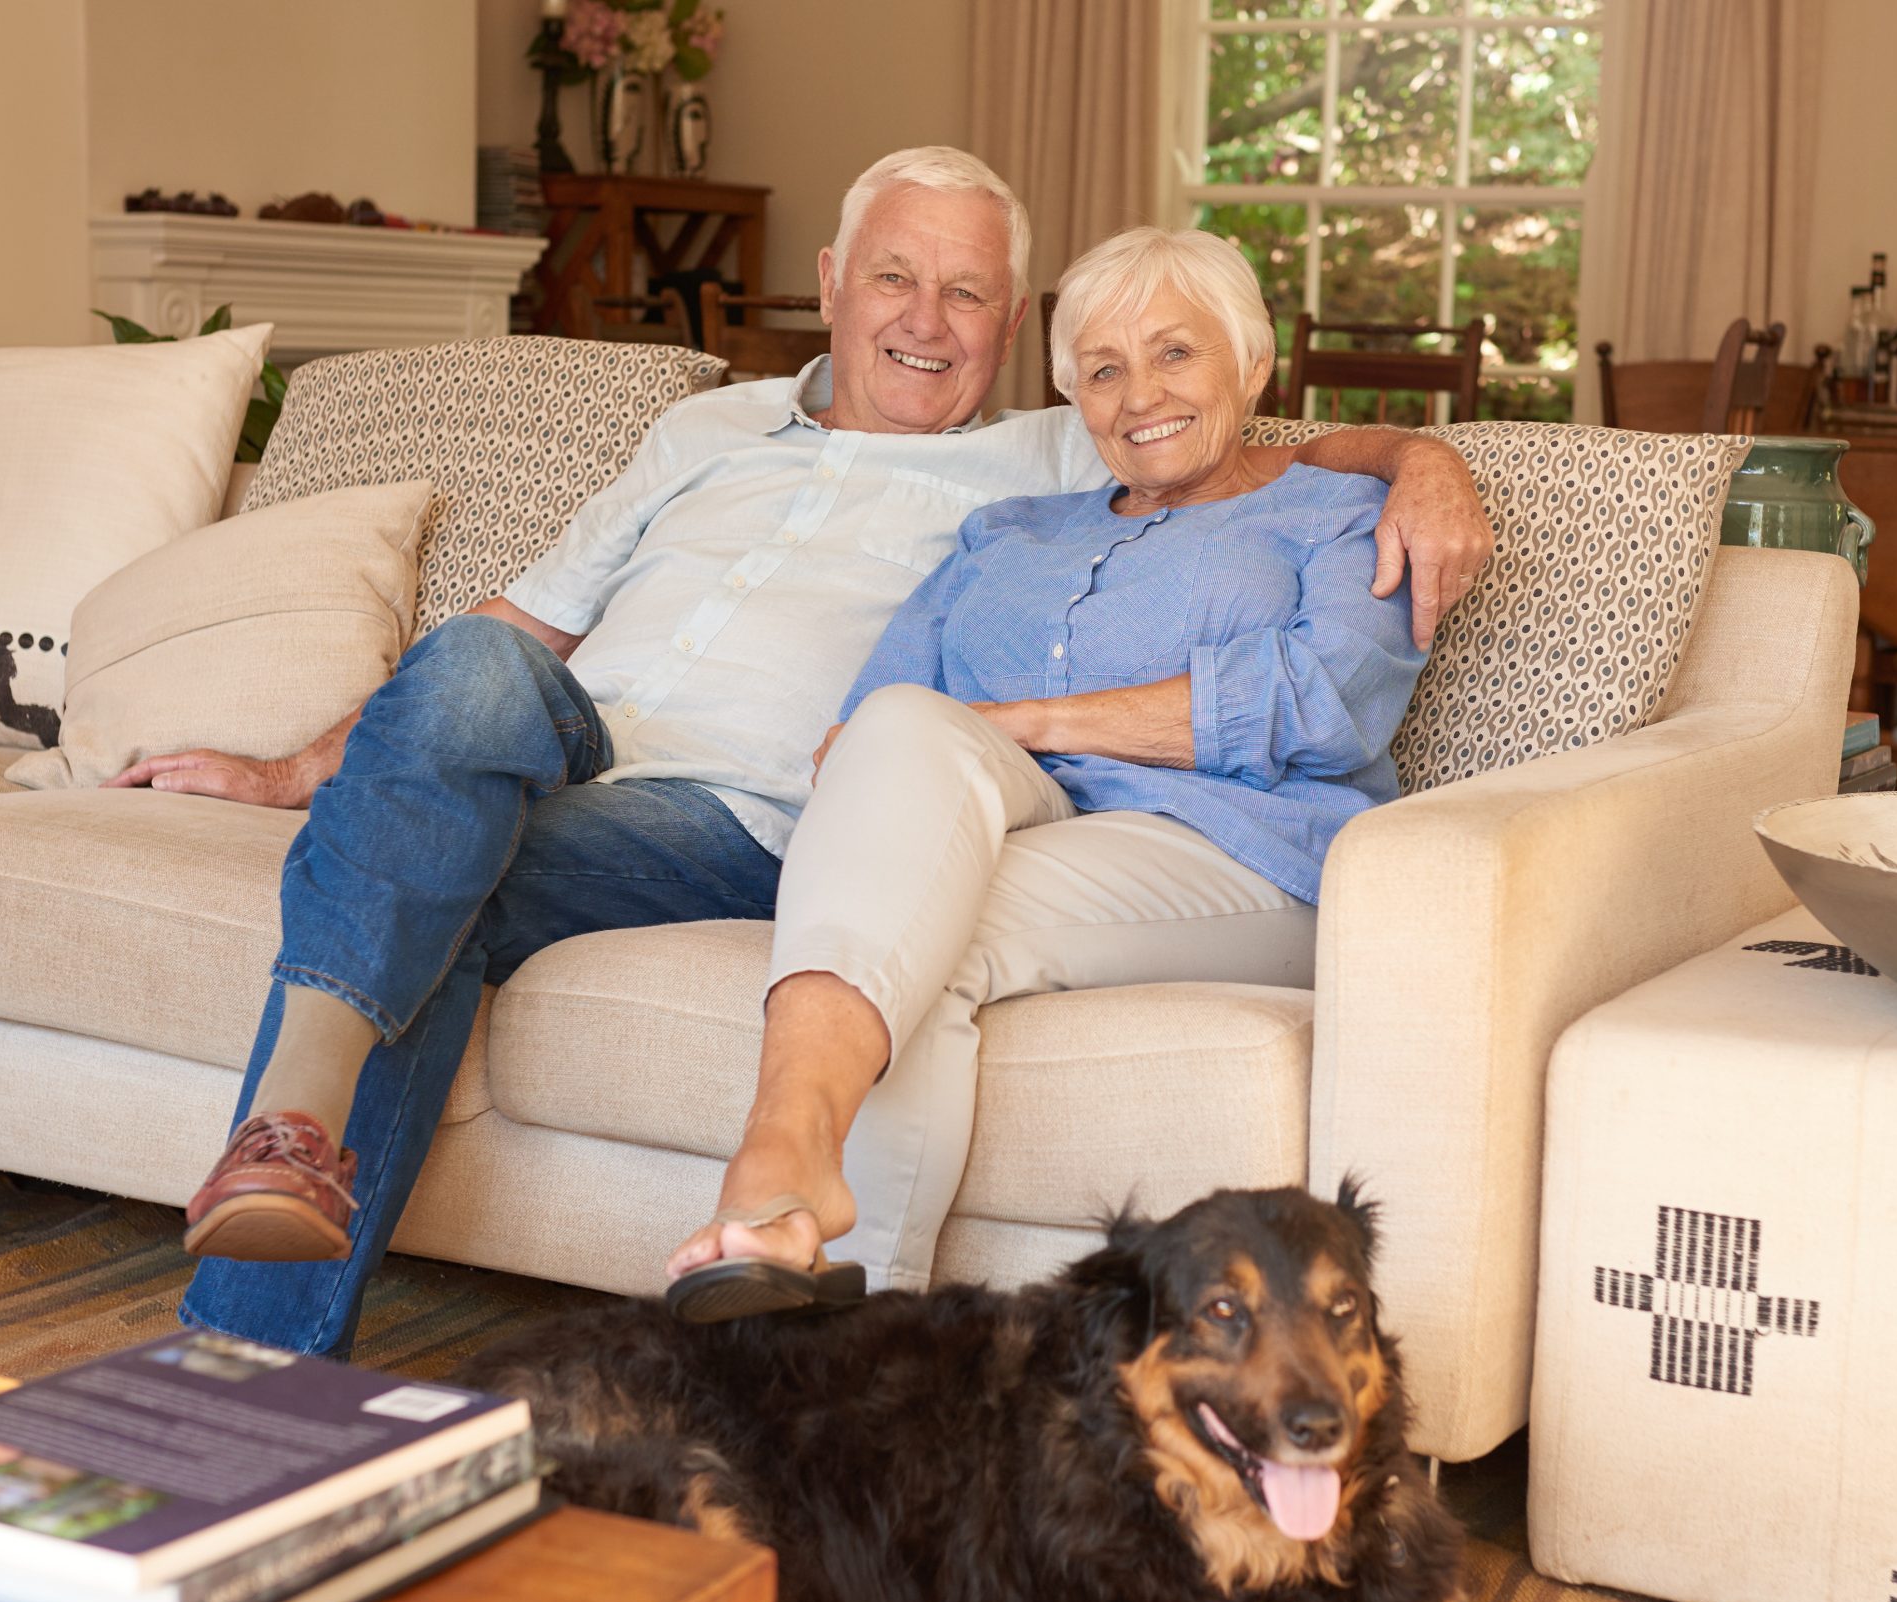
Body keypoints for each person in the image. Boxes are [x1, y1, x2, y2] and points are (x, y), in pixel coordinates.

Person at [111, 149, 1494, 1358]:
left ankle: (246, 1357)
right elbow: (511, 625)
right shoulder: (716, 435)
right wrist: (303, 770)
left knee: (430, 882)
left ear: (1010, 330)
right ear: (834, 280)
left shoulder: (1039, 462)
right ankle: (287, 1148)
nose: (927, 321)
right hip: (555, 755)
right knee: (467, 686)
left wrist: (1427, 458)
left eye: (968, 296)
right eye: (898, 277)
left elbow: (1243, 449)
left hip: (737, 823)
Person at [663, 225, 1435, 1321]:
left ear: (1252, 364)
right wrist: (953, 747)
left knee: (925, 941)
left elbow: (1318, 700)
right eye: (1103, 370)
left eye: (1176, 354)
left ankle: (822, 1269)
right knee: (900, 785)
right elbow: (869, 737)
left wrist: (1027, 719)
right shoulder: (1006, 532)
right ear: (1070, 392)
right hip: (1023, 829)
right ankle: (808, 1226)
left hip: (1238, 847)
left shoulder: (1337, 514)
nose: (1138, 396)